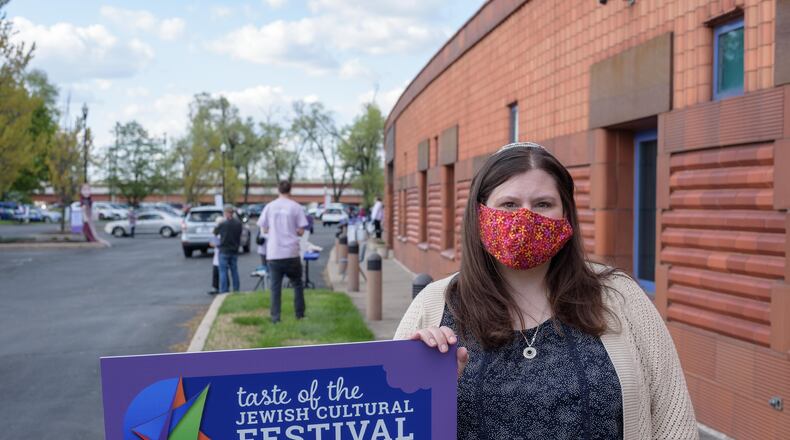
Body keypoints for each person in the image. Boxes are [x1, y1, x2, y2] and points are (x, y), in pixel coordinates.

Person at [394, 142, 698, 439]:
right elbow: (392, 422)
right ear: (480, 214)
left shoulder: (620, 297)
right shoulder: (433, 305)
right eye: (509, 204)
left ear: (566, 213)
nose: (526, 218)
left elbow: (674, 420)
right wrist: (423, 389)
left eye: (543, 204)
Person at [258, 180, 309, 323]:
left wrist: (273, 230)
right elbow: (300, 230)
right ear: (290, 190)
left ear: (278, 190)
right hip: (291, 252)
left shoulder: (269, 207)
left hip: (274, 252)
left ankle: (275, 318)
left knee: (275, 288)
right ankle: (299, 314)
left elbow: (264, 228)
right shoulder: (296, 207)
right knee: (297, 284)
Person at [213, 205, 242, 293]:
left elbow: (215, 232)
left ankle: (224, 290)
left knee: (223, 272)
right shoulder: (238, 223)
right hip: (234, 249)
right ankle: (236, 289)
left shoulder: (223, 224)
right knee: (234, 271)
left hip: (224, 250)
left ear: (226, 213)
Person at [208, 216, 223, 295]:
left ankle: (223, 287)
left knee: (222, 272)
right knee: (216, 271)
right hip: (217, 253)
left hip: (221, 252)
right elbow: (212, 242)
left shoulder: (222, 231)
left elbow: (214, 243)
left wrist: (215, 244)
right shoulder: (216, 231)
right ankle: (215, 286)